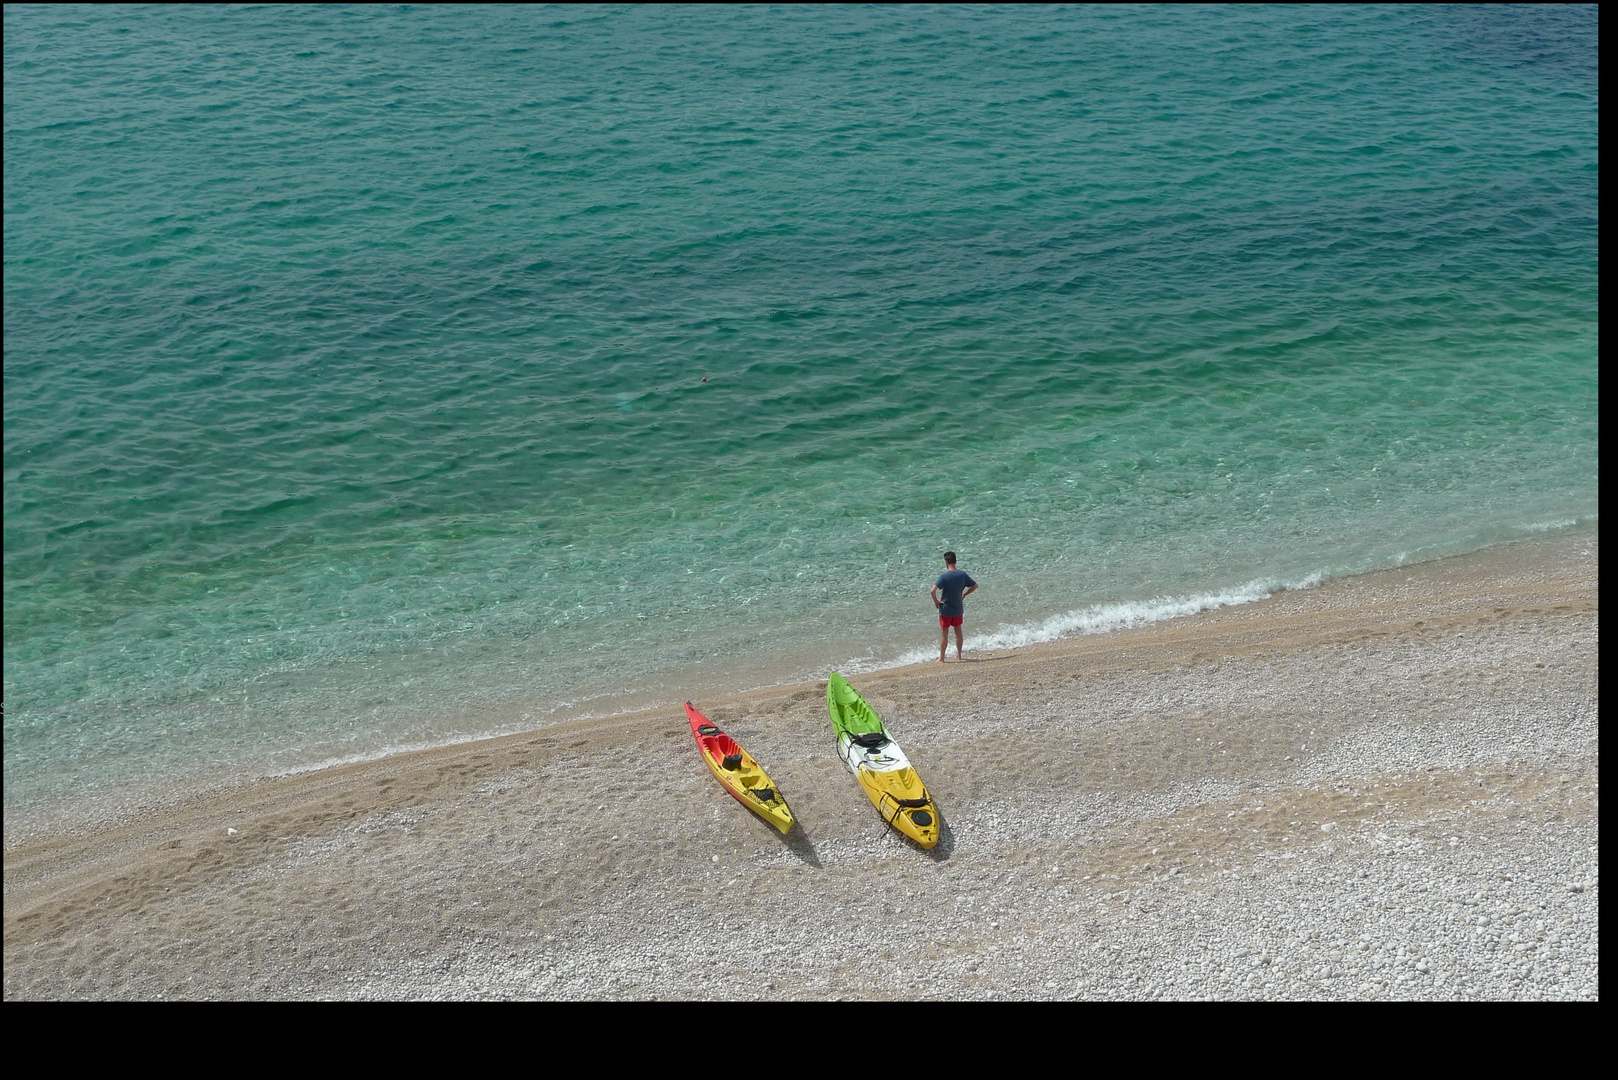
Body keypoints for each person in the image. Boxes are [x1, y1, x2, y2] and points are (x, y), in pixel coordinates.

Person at [930, 551, 978, 662]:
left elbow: (932, 590)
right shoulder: (962, 575)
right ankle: (959, 655)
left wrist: (936, 601)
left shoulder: (944, 576)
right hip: (958, 609)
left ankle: (942, 658)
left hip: (946, 609)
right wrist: (965, 594)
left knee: (944, 634)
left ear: (946, 562)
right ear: (955, 561)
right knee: (958, 632)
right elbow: (975, 586)